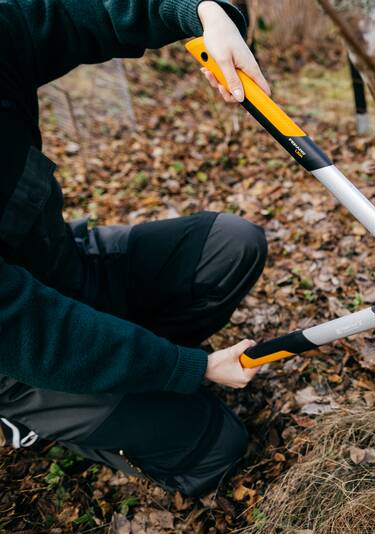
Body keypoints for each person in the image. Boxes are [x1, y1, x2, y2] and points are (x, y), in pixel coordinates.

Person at [0, 0, 274, 497]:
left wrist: (202, 13)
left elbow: (89, 12)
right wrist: (190, 367)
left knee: (232, 245)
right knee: (217, 445)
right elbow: (29, 328)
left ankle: (128, 362)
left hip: (68, 267)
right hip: (17, 356)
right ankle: (36, 414)